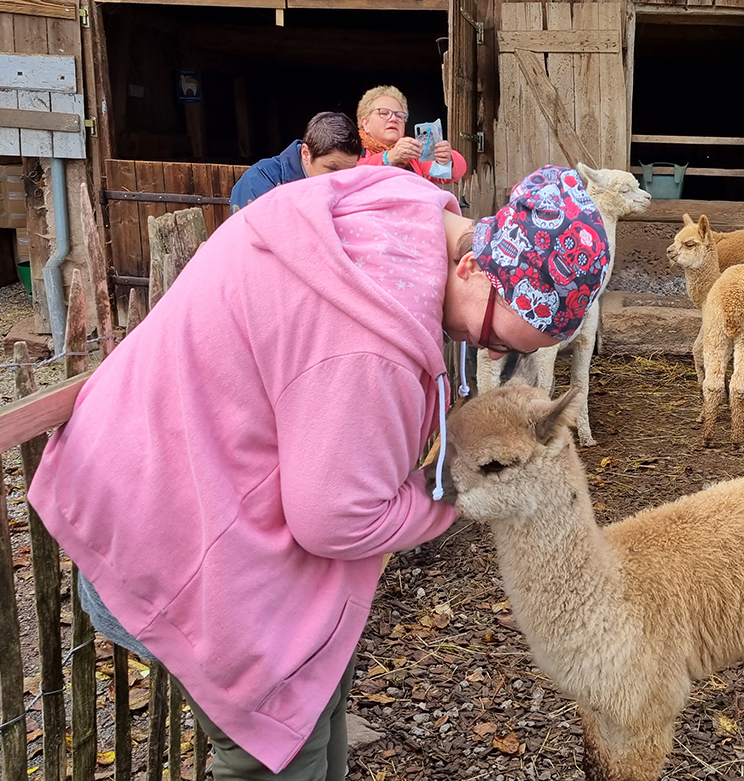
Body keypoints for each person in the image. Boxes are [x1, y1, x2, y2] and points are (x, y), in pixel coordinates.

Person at [27, 164, 609, 779]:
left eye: (514, 350)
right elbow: (334, 520)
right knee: (272, 738)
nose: (491, 352)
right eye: (495, 334)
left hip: (158, 463)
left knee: (317, 693)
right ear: (472, 264)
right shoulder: (368, 342)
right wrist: (450, 493)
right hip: (165, 528)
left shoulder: (395, 210)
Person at [229, 111, 362, 212]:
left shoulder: (356, 185)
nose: (341, 181)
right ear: (305, 153)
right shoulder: (259, 180)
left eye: (349, 172)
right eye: (332, 169)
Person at [355, 85, 468, 184]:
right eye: (384, 113)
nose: (394, 119)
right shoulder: (351, 147)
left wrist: (447, 158)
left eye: (399, 116)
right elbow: (347, 174)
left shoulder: (412, 153)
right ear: (365, 123)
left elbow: (448, 175)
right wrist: (387, 158)